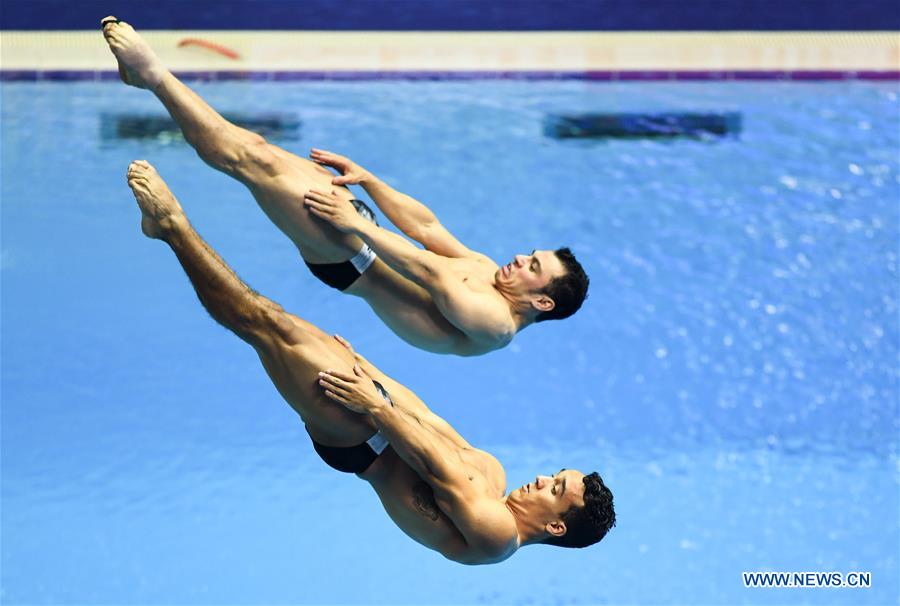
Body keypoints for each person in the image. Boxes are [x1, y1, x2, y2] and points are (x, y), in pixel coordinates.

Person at [124, 159, 615, 564]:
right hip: (373, 406)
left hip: (365, 439)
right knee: (273, 323)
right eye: (556, 475)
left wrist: (374, 406)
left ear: (555, 524)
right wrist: (373, 374)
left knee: (264, 323)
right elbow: (427, 420)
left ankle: (171, 227)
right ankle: (172, 228)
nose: (543, 478)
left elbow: (431, 463)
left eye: (555, 489)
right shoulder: (495, 474)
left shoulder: (496, 537)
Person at [101, 17, 590, 357]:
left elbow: (426, 269)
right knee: (256, 148)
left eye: (533, 266)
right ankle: (144, 80)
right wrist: (371, 182)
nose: (521, 259)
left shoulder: (495, 325)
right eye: (530, 253)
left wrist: (356, 222)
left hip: (352, 260)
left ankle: (153, 75)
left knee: (247, 160)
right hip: (363, 234)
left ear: (542, 302)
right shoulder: (486, 270)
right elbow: (426, 226)